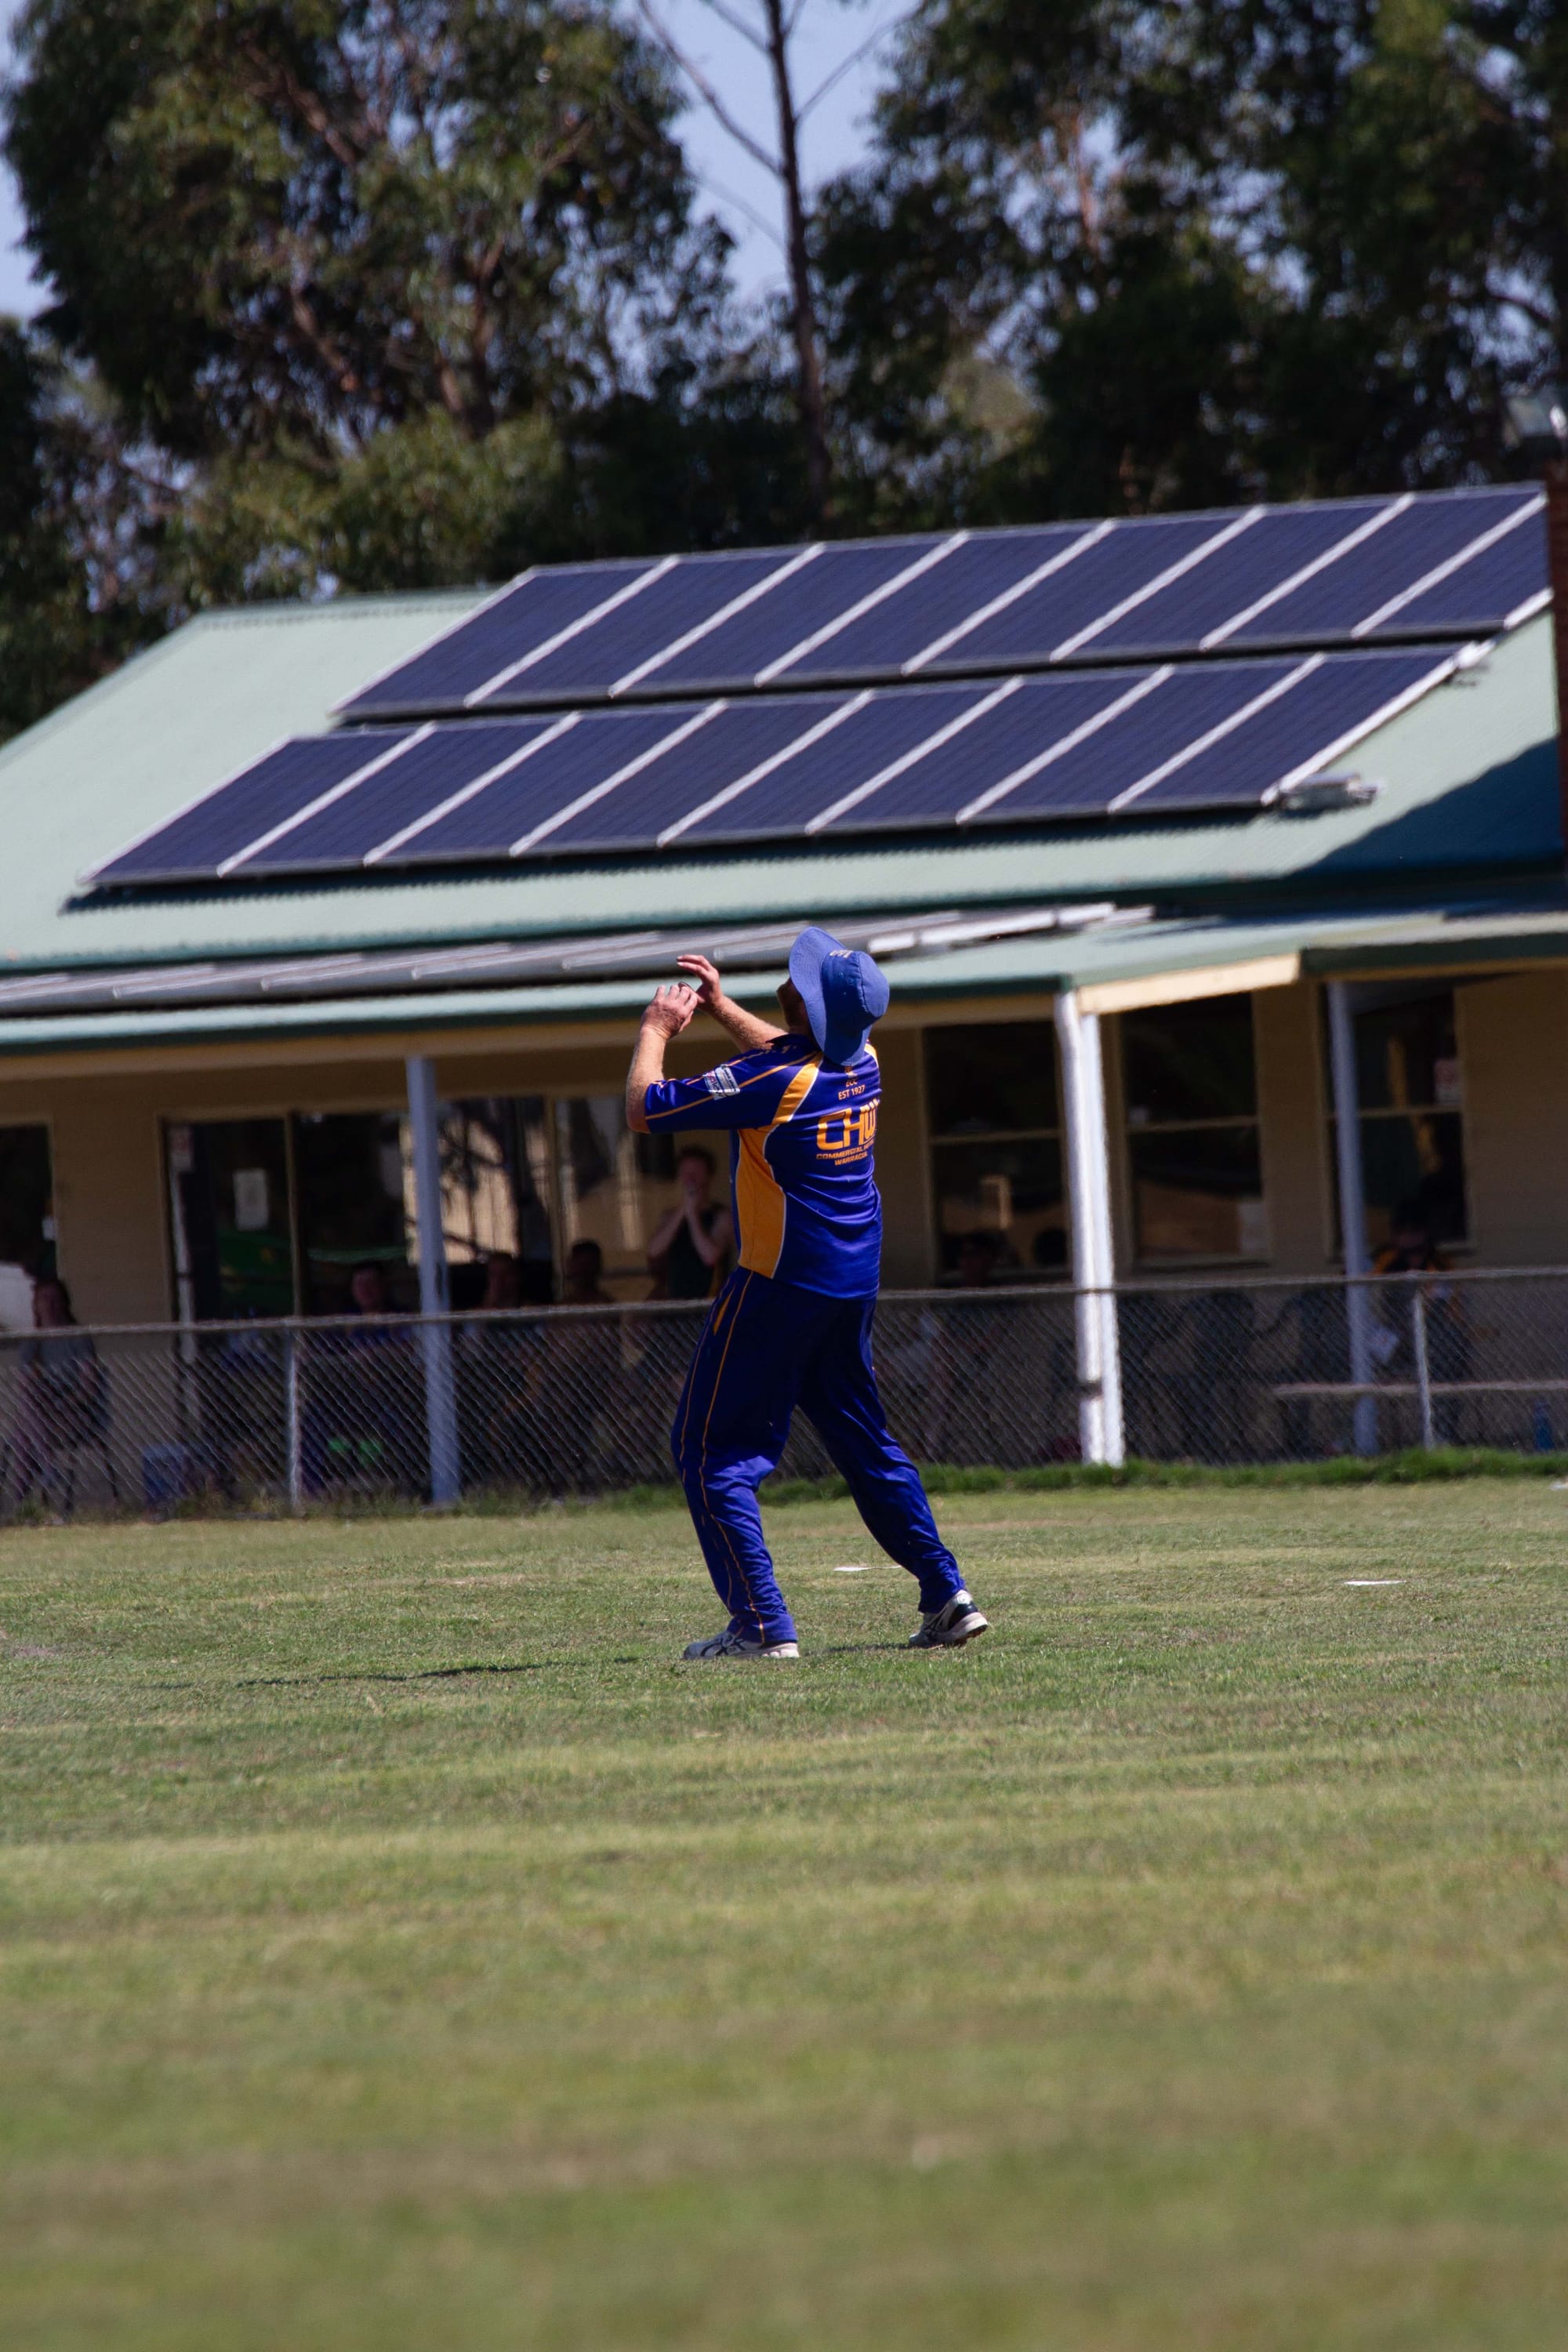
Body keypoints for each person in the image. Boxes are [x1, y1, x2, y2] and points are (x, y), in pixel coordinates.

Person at [626, 931, 989, 1660]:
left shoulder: (777, 1080)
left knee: (710, 1452)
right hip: (849, 1284)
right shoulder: (865, 1060)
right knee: (867, 1444)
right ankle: (947, 1595)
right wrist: (724, 1005)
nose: (791, 983)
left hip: (776, 1285)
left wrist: (656, 1030)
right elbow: (791, 1055)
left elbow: (646, 1108)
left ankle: (760, 1626)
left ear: (807, 1006)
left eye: (801, 981)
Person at [9, 1276, 103, 1504]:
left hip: (75, 1414)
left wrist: (63, 1405)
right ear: (36, 1305)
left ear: (64, 1304)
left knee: (24, 1436)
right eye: (43, 1300)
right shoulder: (33, 1343)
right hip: (44, 1416)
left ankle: (22, 1507)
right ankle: (46, 1469)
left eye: (54, 1300)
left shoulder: (77, 1338)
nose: (49, 1306)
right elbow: (27, 1385)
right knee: (26, 1426)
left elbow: (88, 1388)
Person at [648, 1145, 734, 1300]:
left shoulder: (722, 1216)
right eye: (686, 1172)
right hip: (676, 1306)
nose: (691, 1178)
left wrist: (693, 1215)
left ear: (709, 1176)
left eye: (697, 1172)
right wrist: (683, 1211)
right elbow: (654, 1251)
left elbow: (711, 1257)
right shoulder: (670, 1216)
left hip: (709, 1303)